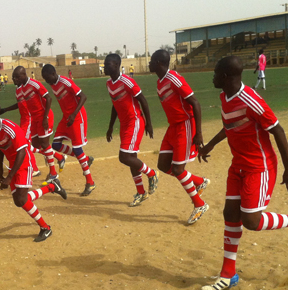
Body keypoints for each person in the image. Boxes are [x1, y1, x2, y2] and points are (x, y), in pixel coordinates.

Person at [197, 56, 288, 290]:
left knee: (251, 221)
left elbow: (278, 130)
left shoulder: (251, 100)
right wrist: (210, 145)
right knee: (230, 214)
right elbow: (230, 125)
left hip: (259, 167)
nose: (212, 76)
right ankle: (228, 274)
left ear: (225, 77)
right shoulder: (224, 97)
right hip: (238, 166)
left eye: (215, 73)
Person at [0, 100, 67, 242]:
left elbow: (21, 152)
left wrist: (9, 177)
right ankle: (52, 187)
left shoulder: (9, 127)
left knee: (21, 199)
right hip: (12, 163)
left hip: (23, 161)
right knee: (19, 201)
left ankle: (45, 228)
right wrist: (0, 169)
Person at [149, 49, 210, 224]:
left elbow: (195, 103)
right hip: (173, 127)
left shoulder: (174, 79)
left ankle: (199, 204)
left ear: (160, 62)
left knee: (177, 169)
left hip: (185, 125)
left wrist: (198, 132)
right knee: (162, 165)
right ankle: (199, 181)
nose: (150, 64)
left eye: (152, 61)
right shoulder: (160, 81)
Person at [104, 53, 157, 207]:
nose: (105, 66)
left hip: (135, 121)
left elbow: (143, 101)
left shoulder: (127, 81)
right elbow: (115, 105)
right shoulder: (109, 83)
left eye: (108, 64)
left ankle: (152, 173)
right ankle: (141, 193)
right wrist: (110, 127)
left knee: (124, 157)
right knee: (131, 159)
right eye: (105, 64)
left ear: (116, 65)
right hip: (124, 124)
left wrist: (149, 123)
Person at [1, 66, 65, 180]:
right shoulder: (20, 89)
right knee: (35, 145)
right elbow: (20, 104)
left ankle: (53, 173)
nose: (14, 80)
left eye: (16, 77)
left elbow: (49, 98)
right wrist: (5, 109)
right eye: (13, 77)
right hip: (35, 119)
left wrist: (45, 118)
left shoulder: (34, 84)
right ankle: (58, 157)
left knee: (42, 144)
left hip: (43, 117)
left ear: (23, 75)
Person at [41, 64, 96, 196]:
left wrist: (73, 114)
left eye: (48, 78)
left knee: (77, 149)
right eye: (45, 80)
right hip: (67, 118)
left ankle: (90, 182)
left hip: (77, 117)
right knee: (56, 145)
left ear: (54, 73)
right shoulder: (53, 85)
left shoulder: (65, 82)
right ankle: (85, 158)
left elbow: (83, 96)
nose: (47, 82)